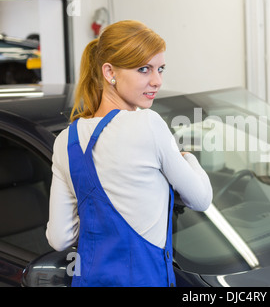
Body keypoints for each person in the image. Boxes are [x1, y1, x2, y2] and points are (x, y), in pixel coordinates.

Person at [45, 20, 213, 287]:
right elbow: (200, 198)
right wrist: (188, 158)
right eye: (143, 69)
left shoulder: (66, 140)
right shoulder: (148, 123)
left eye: (160, 69)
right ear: (109, 72)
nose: (156, 81)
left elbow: (60, 238)